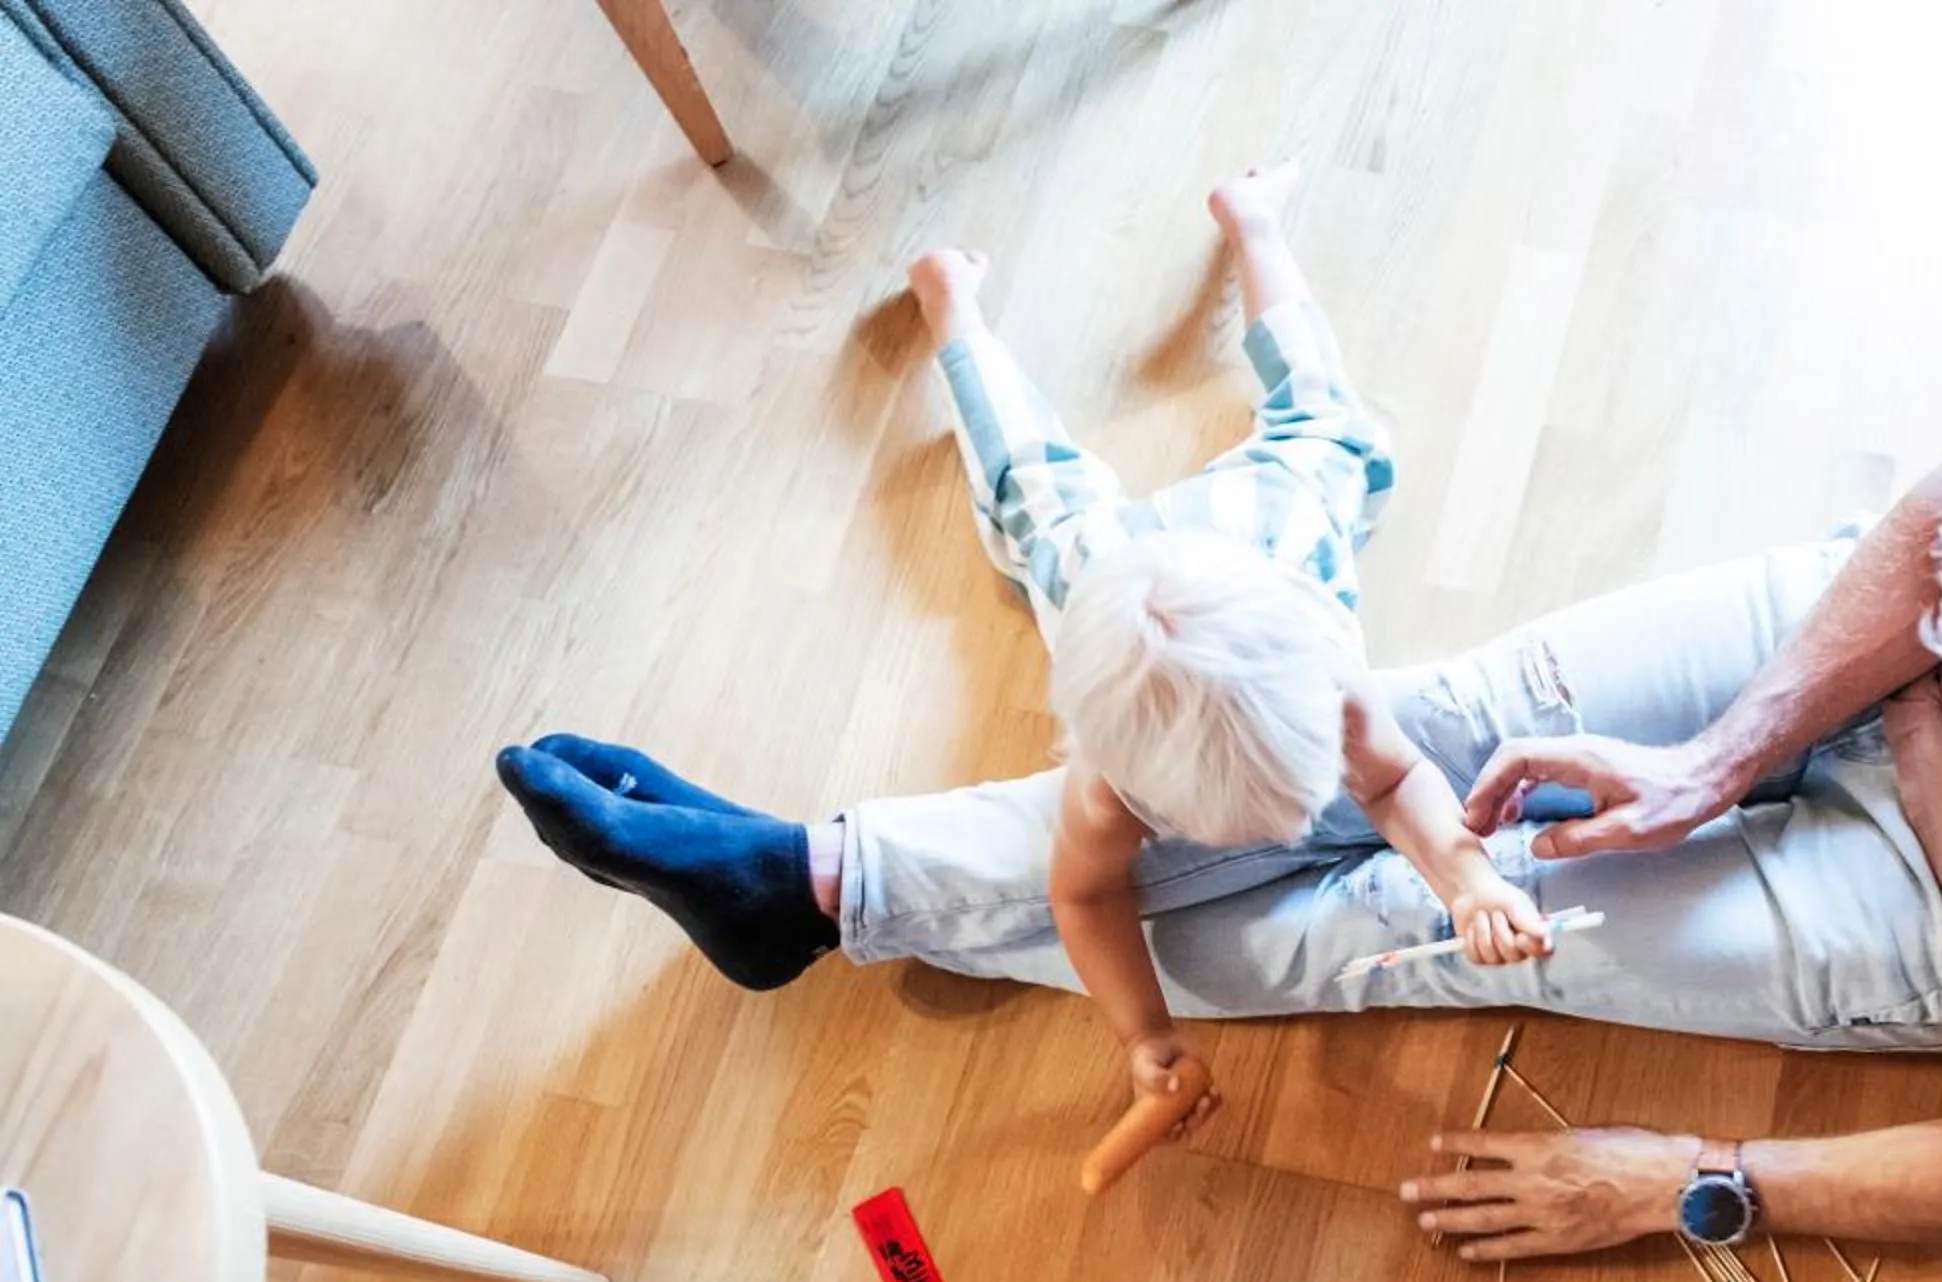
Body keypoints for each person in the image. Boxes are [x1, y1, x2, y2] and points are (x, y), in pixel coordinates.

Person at [497, 191, 1942, 1262]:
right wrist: (1723, 745)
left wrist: (1695, 1180)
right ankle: (826, 880)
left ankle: (827, 892)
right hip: (1871, 640)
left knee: (1384, 929)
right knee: (1384, 744)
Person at [505, 162, 1548, 1139]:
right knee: (1026, 484)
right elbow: (1083, 896)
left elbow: (1398, 778)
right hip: (1106, 567)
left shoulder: (1333, 684)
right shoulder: (1108, 784)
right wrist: (1144, 1034)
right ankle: (950, 305)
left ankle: (1255, 223)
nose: (1269, 834)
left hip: (1277, 524)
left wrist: (1468, 885)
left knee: (1329, 429)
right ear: (1113, 767)